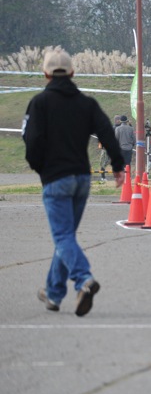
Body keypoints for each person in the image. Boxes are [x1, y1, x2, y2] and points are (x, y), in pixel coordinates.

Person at [23, 48, 124, 316]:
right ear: (72, 73)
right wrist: (118, 167)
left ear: (45, 74)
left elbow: (31, 141)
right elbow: (107, 132)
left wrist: (39, 167)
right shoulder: (86, 103)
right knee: (65, 236)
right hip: (81, 178)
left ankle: (84, 280)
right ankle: (53, 293)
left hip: (56, 178)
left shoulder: (39, 103)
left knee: (63, 236)